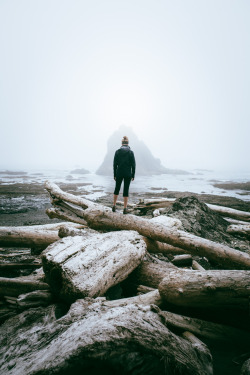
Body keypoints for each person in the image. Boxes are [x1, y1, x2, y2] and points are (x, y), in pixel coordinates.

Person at [112, 136, 136, 214]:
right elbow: (133, 164)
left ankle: (114, 206)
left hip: (119, 172)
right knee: (126, 190)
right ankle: (125, 208)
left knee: (117, 188)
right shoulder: (131, 152)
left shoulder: (117, 152)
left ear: (122, 143)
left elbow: (115, 164)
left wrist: (114, 174)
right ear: (128, 143)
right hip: (127, 173)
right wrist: (133, 175)